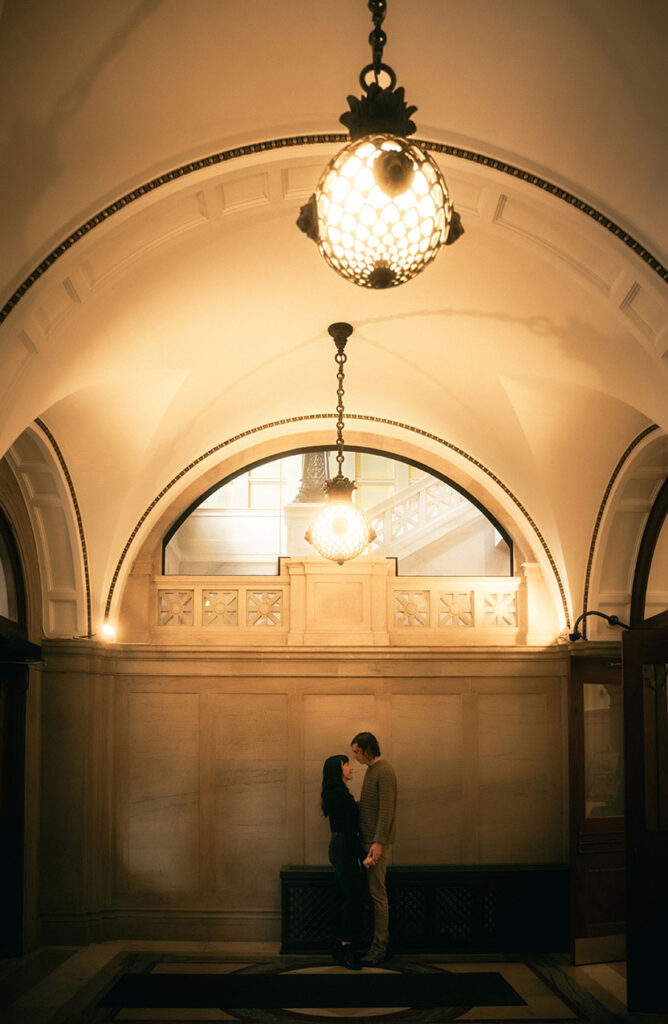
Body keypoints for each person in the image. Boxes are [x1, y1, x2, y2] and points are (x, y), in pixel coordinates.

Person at [351, 731, 397, 965]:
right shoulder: (372, 771)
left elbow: (386, 811)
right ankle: (373, 944)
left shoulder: (384, 771)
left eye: (357, 751)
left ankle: (380, 946)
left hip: (375, 843)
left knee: (378, 894)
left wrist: (378, 842)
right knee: (372, 894)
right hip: (368, 841)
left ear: (367, 749)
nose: (355, 757)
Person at [320, 754, 365, 970]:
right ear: (337, 770)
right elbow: (349, 831)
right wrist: (362, 856)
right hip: (344, 846)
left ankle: (339, 944)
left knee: (343, 896)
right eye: (346, 764)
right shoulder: (338, 795)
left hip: (340, 846)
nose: (350, 767)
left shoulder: (337, 793)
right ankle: (347, 947)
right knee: (350, 897)